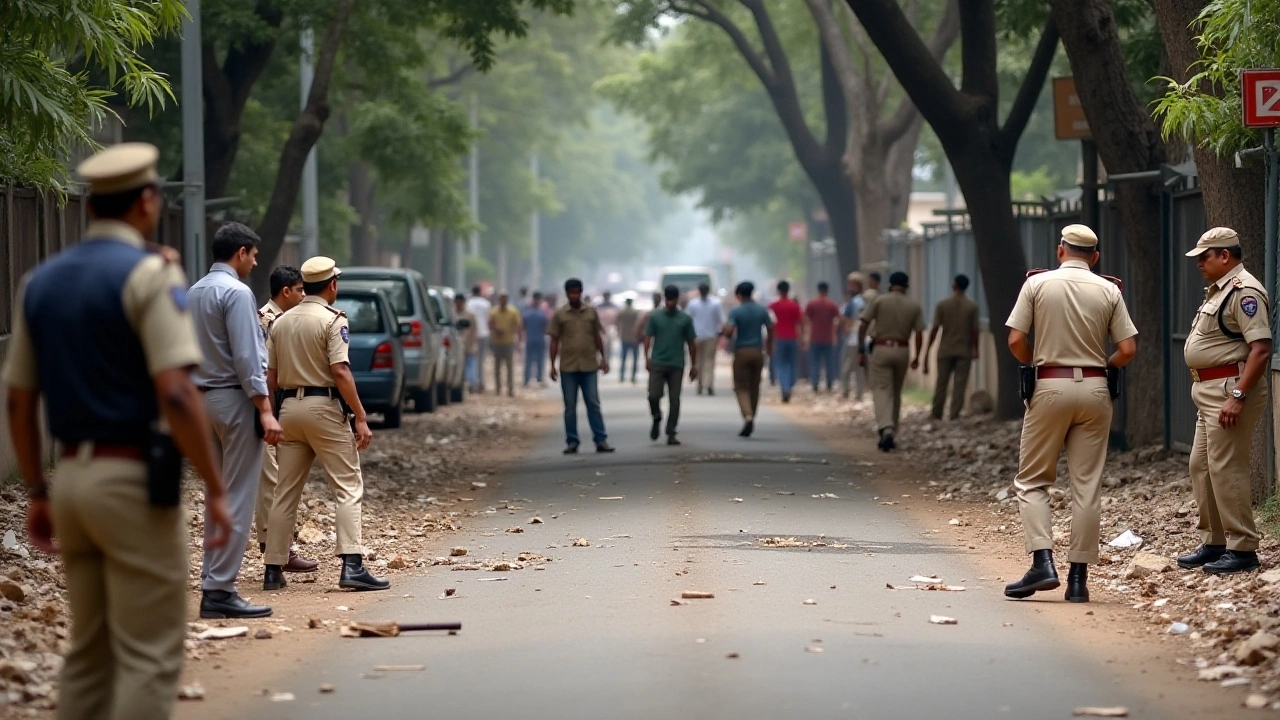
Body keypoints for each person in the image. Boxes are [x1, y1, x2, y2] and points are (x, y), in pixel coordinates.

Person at [3, 142, 232, 720]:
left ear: (90, 208)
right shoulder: (150, 273)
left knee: (90, 651)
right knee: (149, 654)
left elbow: (18, 398)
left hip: (72, 481)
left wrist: (36, 489)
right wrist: (216, 485)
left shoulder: (40, 282)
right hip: (132, 481)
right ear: (148, 202)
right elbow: (178, 392)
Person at [1003, 225, 1138, 603]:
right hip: (1096, 390)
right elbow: (1127, 349)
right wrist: (1103, 366)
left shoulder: (1037, 285)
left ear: (1060, 250)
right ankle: (1079, 580)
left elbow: (1015, 339)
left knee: (1032, 480)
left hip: (1049, 385)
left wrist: (1036, 365)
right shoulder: (1109, 290)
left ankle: (1042, 562)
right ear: (1095, 258)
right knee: (1087, 486)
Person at [263, 256, 389, 593]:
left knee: (284, 491)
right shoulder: (333, 321)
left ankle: (273, 569)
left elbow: (271, 378)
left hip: (289, 409)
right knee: (347, 486)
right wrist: (360, 416)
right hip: (325, 410)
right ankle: (352, 564)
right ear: (332, 284)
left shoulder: (282, 322)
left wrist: (272, 414)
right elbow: (341, 371)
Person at [188, 222, 284, 620]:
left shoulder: (194, 291)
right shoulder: (237, 293)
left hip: (199, 402)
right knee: (239, 496)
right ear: (241, 252)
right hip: (234, 399)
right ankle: (221, 589)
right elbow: (248, 358)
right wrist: (264, 409)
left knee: (215, 494)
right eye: (254, 255)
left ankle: (213, 577)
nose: (256, 262)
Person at [1177, 227, 1272, 575]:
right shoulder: (1218, 291)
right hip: (1211, 392)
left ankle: (1243, 547)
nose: (1199, 263)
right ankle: (1215, 542)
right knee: (1201, 466)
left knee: (1226, 466)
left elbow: (1261, 350)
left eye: (1205, 256)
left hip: (1230, 391)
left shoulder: (1244, 291)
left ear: (1225, 256)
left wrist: (1238, 396)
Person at [254, 265, 317, 575]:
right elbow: (263, 370)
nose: (304, 295)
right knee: (272, 479)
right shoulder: (266, 320)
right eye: (299, 290)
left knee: (278, 478)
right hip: (265, 408)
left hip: (279, 408)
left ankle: (277, 547)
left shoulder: (285, 319)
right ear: (286, 292)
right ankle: (275, 550)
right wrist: (266, 412)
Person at [857, 271, 924, 452]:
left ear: (890, 284)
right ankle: (892, 430)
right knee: (895, 391)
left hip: (881, 348)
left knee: (881, 389)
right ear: (906, 286)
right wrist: (918, 356)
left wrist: (860, 350)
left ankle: (885, 427)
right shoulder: (913, 305)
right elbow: (918, 333)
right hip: (902, 350)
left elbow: (863, 323)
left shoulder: (879, 300)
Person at [549, 278, 616, 454]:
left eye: (576, 292)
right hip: (568, 366)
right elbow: (554, 340)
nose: (574, 295)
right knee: (570, 406)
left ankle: (601, 440)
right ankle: (572, 441)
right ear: (566, 294)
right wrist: (552, 365)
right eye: (571, 293)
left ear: (580, 292)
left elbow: (597, 336)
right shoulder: (560, 314)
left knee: (593, 403)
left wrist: (603, 358)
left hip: (589, 365)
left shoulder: (591, 313)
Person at [645, 285, 698, 445]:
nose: (670, 303)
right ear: (664, 299)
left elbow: (691, 343)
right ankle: (656, 416)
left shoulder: (685, 319)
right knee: (654, 395)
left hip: (676, 364)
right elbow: (647, 337)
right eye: (668, 300)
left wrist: (693, 365)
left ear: (677, 300)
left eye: (673, 300)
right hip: (658, 362)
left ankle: (671, 431)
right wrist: (646, 357)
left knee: (674, 399)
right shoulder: (655, 317)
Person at [923, 274, 980, 421]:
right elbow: (975, 331)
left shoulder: (942, 304)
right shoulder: (972, 306)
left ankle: (936, 413)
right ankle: (954, 414)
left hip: (945, 349)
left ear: (953, 286)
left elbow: (935, 328)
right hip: (964, 349)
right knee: (959, 385)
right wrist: (976, 349)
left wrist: (928, 349)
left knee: (942, 382)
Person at [723, 281, 774, 437]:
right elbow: (771, 328)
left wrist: (725, 332)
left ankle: (748, 415)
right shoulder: (762, 310)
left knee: (741, 387)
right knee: (754, 386)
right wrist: (769, 346)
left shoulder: (736, 311)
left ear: (738, 295)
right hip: (758, 352)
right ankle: (752, 414)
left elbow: (730, 332)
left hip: (742, 351)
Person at [686, 283, 723, 396]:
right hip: (710, 336)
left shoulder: (693, 304)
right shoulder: (716, 303)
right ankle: (708, 384)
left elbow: (688, 319)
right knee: (709, 361)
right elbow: (721, 319)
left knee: (698, 361)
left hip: (697, 336)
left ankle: (701, 385)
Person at [804, 281, 841, 393]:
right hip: (828, 338)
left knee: (815, 362)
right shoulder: (832, 304)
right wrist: (835, 331)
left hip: (814, 337)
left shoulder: (812, 304)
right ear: (827, 290)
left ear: (818, 290)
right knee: (829, 362)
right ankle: (829, 383)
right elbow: (838, 319)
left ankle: (815, 383)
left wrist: (806, 335)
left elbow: (806, 319)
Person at [768, 280, 802, 402]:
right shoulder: (794, 306)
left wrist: (769, 341)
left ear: (778, 290)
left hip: (779, 338)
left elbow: (769, 325)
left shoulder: (773, 306)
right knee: (792, 363)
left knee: (781, 364)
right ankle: (790, 384)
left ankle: (784, 387)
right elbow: (800, 322)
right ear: (788, 290)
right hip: (793, 337)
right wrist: (802, 338)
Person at [840, 272, 868, 401]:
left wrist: (846, 328)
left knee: (846, 368)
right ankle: (859, 393)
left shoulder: (852, 303)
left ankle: (845, 391)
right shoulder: (864, 302)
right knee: (859, 368)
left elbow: (847, 320)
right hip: (863, 339)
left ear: (855, 285)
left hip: (852, 339)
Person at [489, 291, 522, 397]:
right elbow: (489, 324)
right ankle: (498, 388)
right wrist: (496, 329)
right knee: (497, 367)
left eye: (505, 298)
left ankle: (510, 389)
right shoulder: (493, 312)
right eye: (501, 298)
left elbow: (518, 326)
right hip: (497, 342)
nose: (503, 300)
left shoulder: (513, 312)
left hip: (509, 341)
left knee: (509, 367)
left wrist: (519, 341)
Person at [466, 285, 492, 392]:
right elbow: (489, 319)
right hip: (484, 333)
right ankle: (480, 383)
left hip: (471, 335)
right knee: (481, 360)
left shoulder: (469, 303)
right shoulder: (486, 304)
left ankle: (472, 382)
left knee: (472, 360)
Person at [522, 291, 550, 387]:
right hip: (540, 339)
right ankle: (539, 379)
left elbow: (523, 327)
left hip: (530, 339)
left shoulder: (526, 313)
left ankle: (527, 380)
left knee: (528, 361)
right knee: (540, 361)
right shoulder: (543, 314)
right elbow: (546, 328)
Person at [455, 294, 479, 391]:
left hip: (468, 344)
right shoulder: (452, 314)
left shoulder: (470, 315)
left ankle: (472, 384)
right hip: (456, 345)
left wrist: (472, 343)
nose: (459, 304)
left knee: (470, 364)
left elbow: (474, 330)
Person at [617, 298, 641, 384]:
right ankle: (633, 376)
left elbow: (617, 321)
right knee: (635, 359)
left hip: (625, 337)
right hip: (634, 338)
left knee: (623, 358)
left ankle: (622, 376)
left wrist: (618, 331)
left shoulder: (622, 312)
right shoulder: (635, 312)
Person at [597, 290, 620, 365]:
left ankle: (606, 362)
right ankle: (603, 361)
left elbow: (616, 319)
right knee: (602, 347)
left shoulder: (613, 306)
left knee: (607, 347)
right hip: (602, 329)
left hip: (609, 329)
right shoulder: (599, 307)